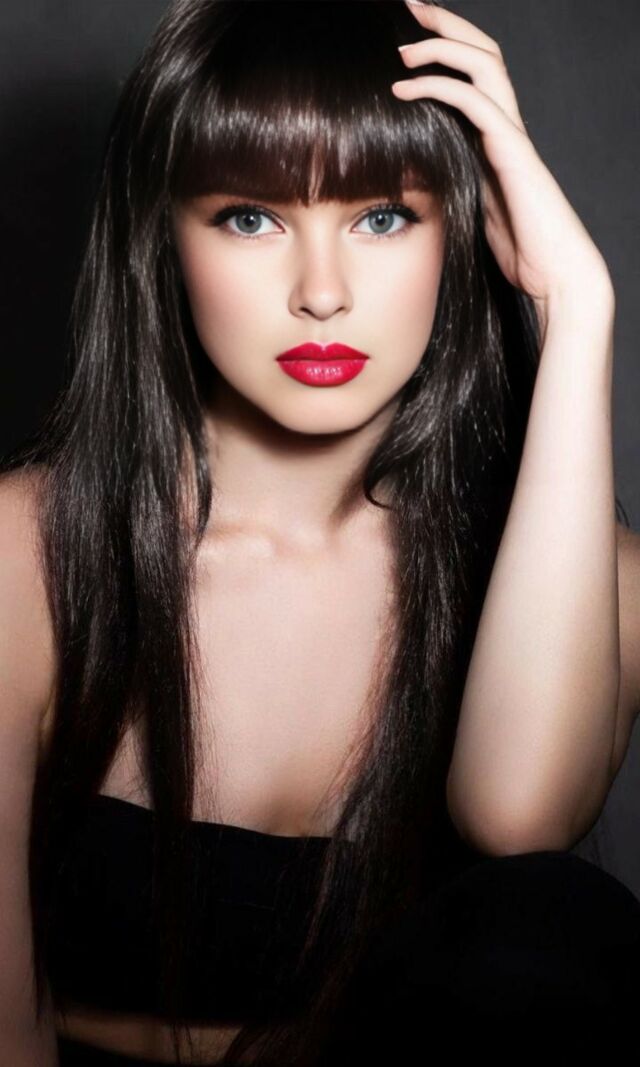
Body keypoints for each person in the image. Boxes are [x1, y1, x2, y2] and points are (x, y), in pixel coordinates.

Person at [1, 1, 639, 1064]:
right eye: (250, 218)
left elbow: (518, 822)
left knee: (548, 930)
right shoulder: (25, 558)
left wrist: (576, 308)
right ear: (166, 235)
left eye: (382, 217)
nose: (323, 295)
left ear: (463, 228)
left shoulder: (578, 579)